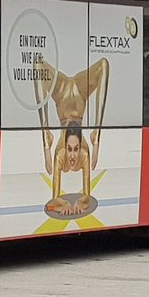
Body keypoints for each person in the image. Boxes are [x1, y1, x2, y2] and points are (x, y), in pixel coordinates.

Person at [34, 56, 110, 215]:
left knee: (104, 64)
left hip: (64, 94)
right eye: (72, 150)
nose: (73, 157)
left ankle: (94, 133)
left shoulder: (69, 154)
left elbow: (83, 196)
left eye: (74, 150)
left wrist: (78, 202)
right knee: (37, 63)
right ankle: (47, 135)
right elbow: (57, 198)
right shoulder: (69, 155)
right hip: (77, 93)